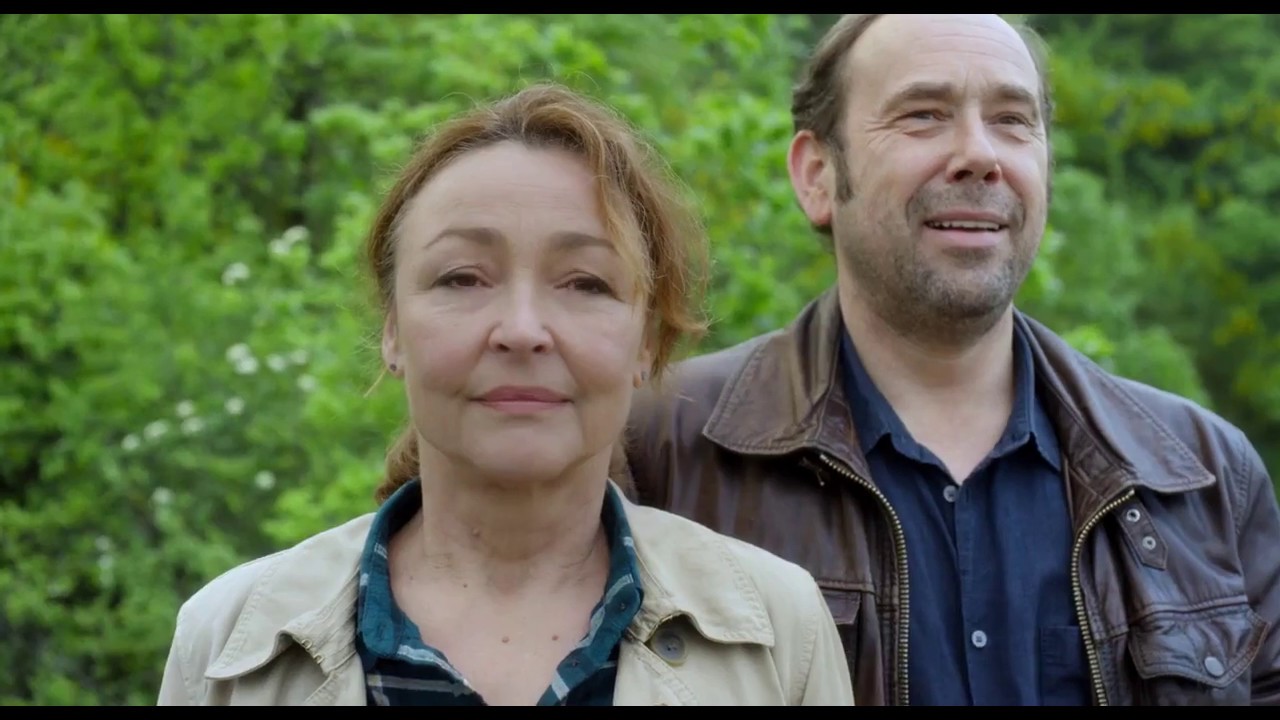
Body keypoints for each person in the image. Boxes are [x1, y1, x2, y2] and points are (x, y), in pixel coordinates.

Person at [621, 13, 1280, 707]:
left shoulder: (1206, 477)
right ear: (817, 175)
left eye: (1012, 120)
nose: (979, 154)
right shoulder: (657, 448)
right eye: (924, 115)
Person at [155, 82, 855, 707]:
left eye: (585, 283)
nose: (522, 331)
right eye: (462, 278)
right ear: (392, 330)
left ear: (646, 342)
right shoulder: (229, 644)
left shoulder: (778, 632)